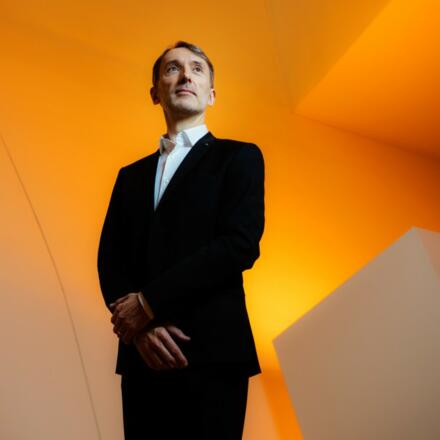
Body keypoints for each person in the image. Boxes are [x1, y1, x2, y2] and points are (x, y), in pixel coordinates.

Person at [97, 40, 265, 439]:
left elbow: (239, 244)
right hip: (142, 357)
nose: (186, 75)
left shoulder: (239, 157)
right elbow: (111, 259)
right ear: (155, 92)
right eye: (172, 68)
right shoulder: (129, 177)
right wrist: (139, 330)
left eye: (197, 69)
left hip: (213, 352)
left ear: (211, 94)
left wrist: (148, 303)